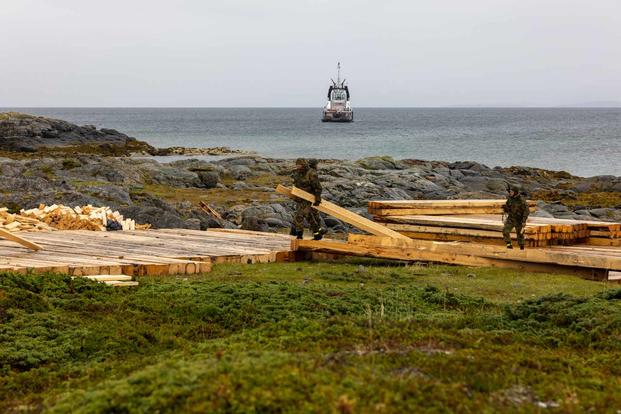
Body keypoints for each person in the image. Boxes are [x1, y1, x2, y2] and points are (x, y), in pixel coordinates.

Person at [290, 158, 325, 240]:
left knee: (299, 216)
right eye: (297, 165)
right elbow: (295, 184)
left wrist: (317, 199)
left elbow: (318, 187)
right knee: (309, 217)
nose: (298, 167)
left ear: (304, 165)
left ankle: (299, 236)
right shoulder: (296, 173)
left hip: (309, 198)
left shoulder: (311, 173)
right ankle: (317, 234)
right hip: (300, 197)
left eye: (300, 165)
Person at [502, 185, 529, 250]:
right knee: (505, 231)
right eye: (510, 192)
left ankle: (521, 247)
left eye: (511, 192)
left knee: (520, 234)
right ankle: (509, 245)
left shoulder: (521, 200)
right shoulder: (510, 199)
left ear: (515, 192)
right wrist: (506, 208)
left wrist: (523, 221)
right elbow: (508, 207)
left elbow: (526, 211)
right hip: (511, 218)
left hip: (519, 220)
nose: (510, 193)